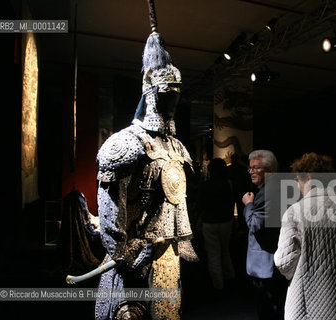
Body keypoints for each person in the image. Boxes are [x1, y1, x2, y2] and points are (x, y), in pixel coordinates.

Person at [93, 25, 198, 319]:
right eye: (166, 94)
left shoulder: (176, 147)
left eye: (176, 95)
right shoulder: (125, 144)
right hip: (135, 260)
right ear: (151, 94)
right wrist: (126, 255)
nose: (172, 101)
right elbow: (111, 211)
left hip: (169, 258)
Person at [274, 152, 336, 320]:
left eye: (298, 180)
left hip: (305, 303)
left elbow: (284, 263)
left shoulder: (294, 212)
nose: (298, 185)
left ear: (307, 177)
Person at [242, 149, 286, 320]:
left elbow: (254, 225)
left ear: (269, 170)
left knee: (268, 309)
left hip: (266, 262)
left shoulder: (268, 192)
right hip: (272, 259)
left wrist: (248, 204)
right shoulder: (274, 187)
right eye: (250, 168)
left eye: (255, 168)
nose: (251, 172)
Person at [197, 158, 236, 290]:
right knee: (226, 250)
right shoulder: (228, 183)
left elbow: (200, 204)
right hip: (225, 220)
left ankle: (218, 285)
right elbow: (231, 202)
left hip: (209, 222)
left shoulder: (205, 185)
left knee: (213, 254)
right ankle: (230, 279)